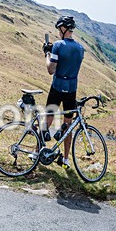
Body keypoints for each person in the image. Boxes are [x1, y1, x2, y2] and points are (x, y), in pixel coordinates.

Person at [42, 15, 85, 169]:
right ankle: (66, 159)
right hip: (71, 90)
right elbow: (68, 61)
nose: (58, 32)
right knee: (68, 125)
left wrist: (47, 53)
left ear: (63, 28)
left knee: (47, 120)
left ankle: (37, 151)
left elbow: (51, 69)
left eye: (59, 29)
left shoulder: (58, 45)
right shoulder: (81, 48)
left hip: (57, 87)